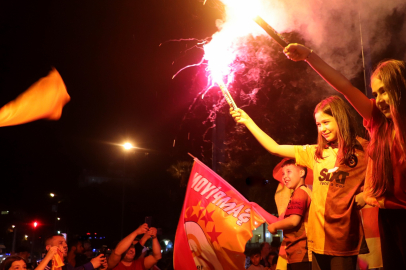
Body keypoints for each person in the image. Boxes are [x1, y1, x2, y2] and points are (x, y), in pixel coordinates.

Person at [284, 44, 406, 269]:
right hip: (389, 217)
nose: (378, 99)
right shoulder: (377, 121)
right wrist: (310, 57)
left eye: (385, 91)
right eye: (375, 93)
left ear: (400, 89)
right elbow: (345, 87)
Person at [230, 95, 368, 270]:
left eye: (326, 122)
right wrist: (248, 121)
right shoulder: (316, 153)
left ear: (340, 117)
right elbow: (275, 148)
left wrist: (367, 194)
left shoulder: (364, 151)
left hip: (344, 240)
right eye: (318, 125)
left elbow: (383, 180)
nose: (322, 129)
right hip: (317, 241)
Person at [267, 159, 312, 270]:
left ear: (302, 173)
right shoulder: (303, 191)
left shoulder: (300, 193)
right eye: (283, 173)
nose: (284, 177)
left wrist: (274, 226)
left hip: (302, 252)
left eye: (289, 172)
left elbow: (293, 221)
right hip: (299, 252)